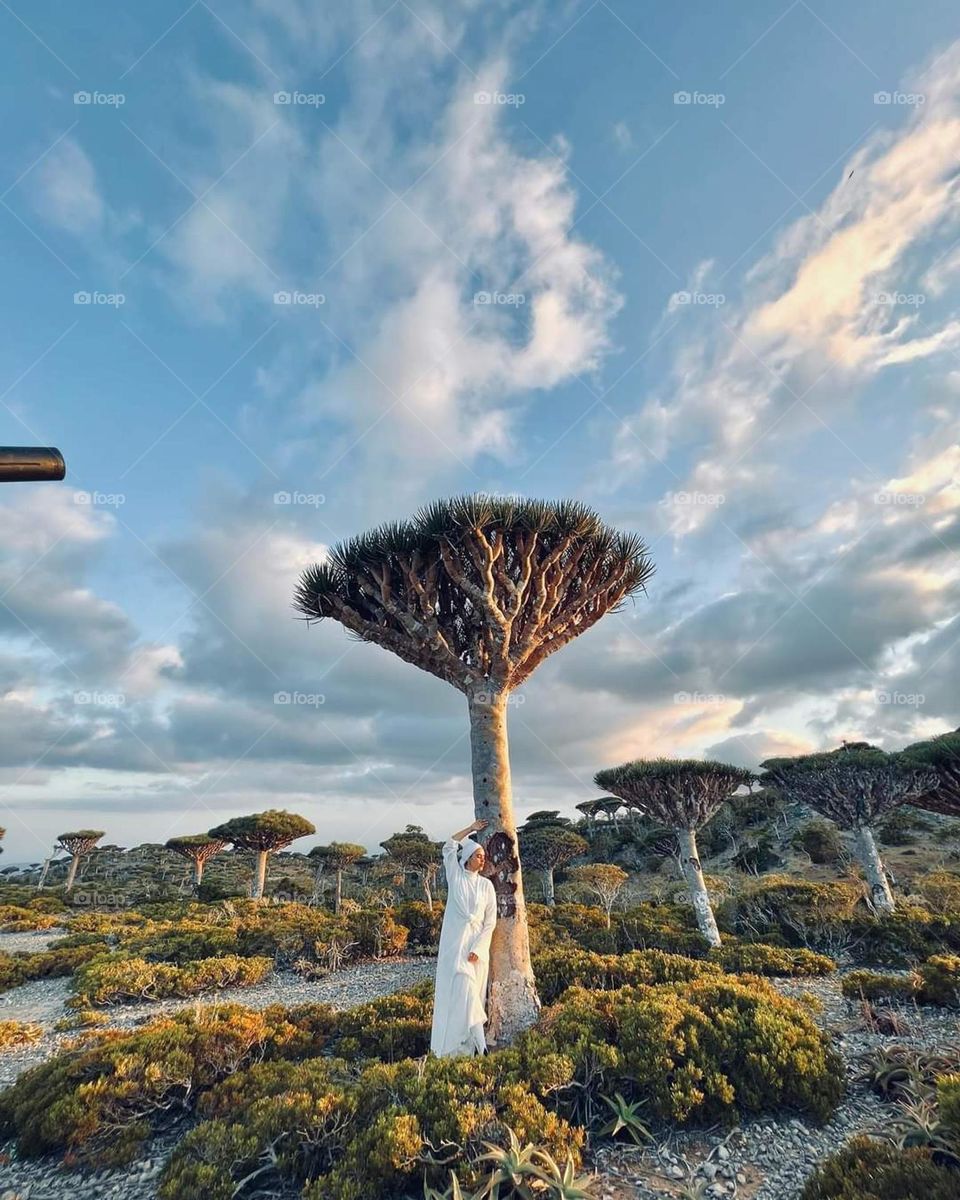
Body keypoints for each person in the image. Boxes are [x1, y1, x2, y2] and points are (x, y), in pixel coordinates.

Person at [430, 817, 497, 1057]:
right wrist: (471, 829)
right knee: (463, 995)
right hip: (454, 948)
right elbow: (448, 846)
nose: (483, 859)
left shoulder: (486, 886)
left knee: (472, 997)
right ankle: (481, 1048)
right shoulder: (455, 876)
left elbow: (490, 922)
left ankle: (471, 1047)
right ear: (468, 858)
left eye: (483, 856)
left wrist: (478, 949)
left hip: (475, 950)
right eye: (478, 855)